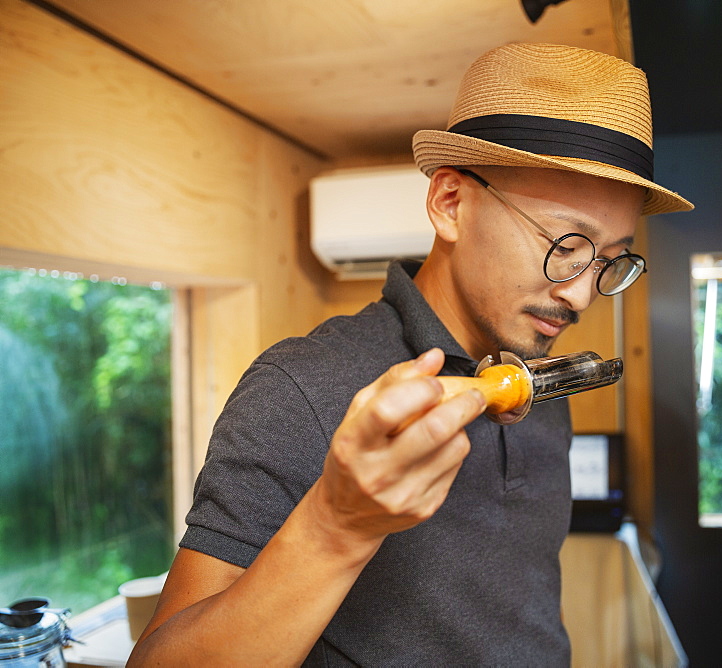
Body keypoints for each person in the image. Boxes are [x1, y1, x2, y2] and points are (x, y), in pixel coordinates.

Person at [127, 42, 691, 666]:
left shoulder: (537, 383)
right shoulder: (299, 388)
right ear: (450, 203)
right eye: (565, 242)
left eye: (610, 257)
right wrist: (336, 527)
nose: (582, 293)